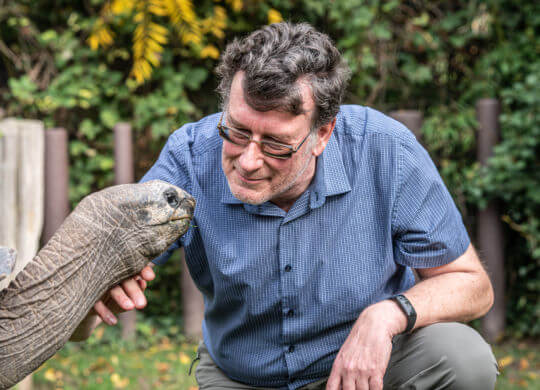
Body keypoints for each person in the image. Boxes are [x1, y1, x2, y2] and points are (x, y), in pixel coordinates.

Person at [71, 22, 498, 389]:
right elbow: (93, 287)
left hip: (367, 366)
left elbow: (472, 285)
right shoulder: (189, 155)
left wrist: (388, 315)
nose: (248, 160)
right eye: (236, 131)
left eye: (276, 145)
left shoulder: (384, 150)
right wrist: (96, 292)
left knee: (463, 358)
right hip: (242, 375)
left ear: (323, 135)